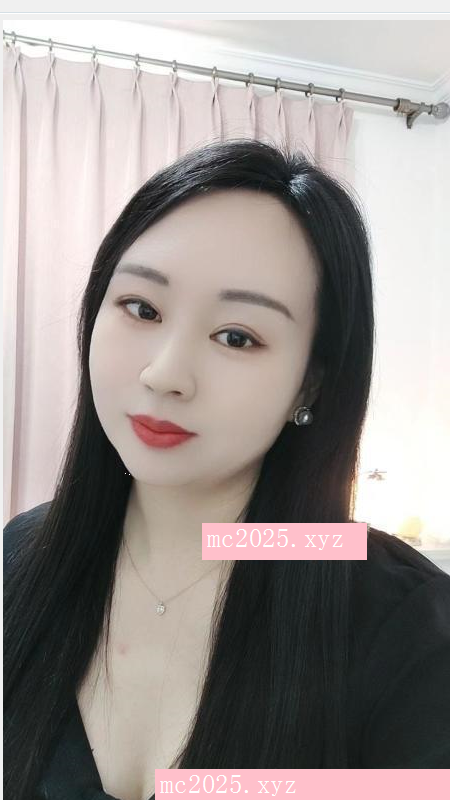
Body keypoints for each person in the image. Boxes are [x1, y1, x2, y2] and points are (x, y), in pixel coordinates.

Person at [4, 139, 450, 800]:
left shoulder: (407, 628)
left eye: (237, 337)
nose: (165, 374)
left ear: (311, 385)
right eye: (142, 308)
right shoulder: (21, 556)